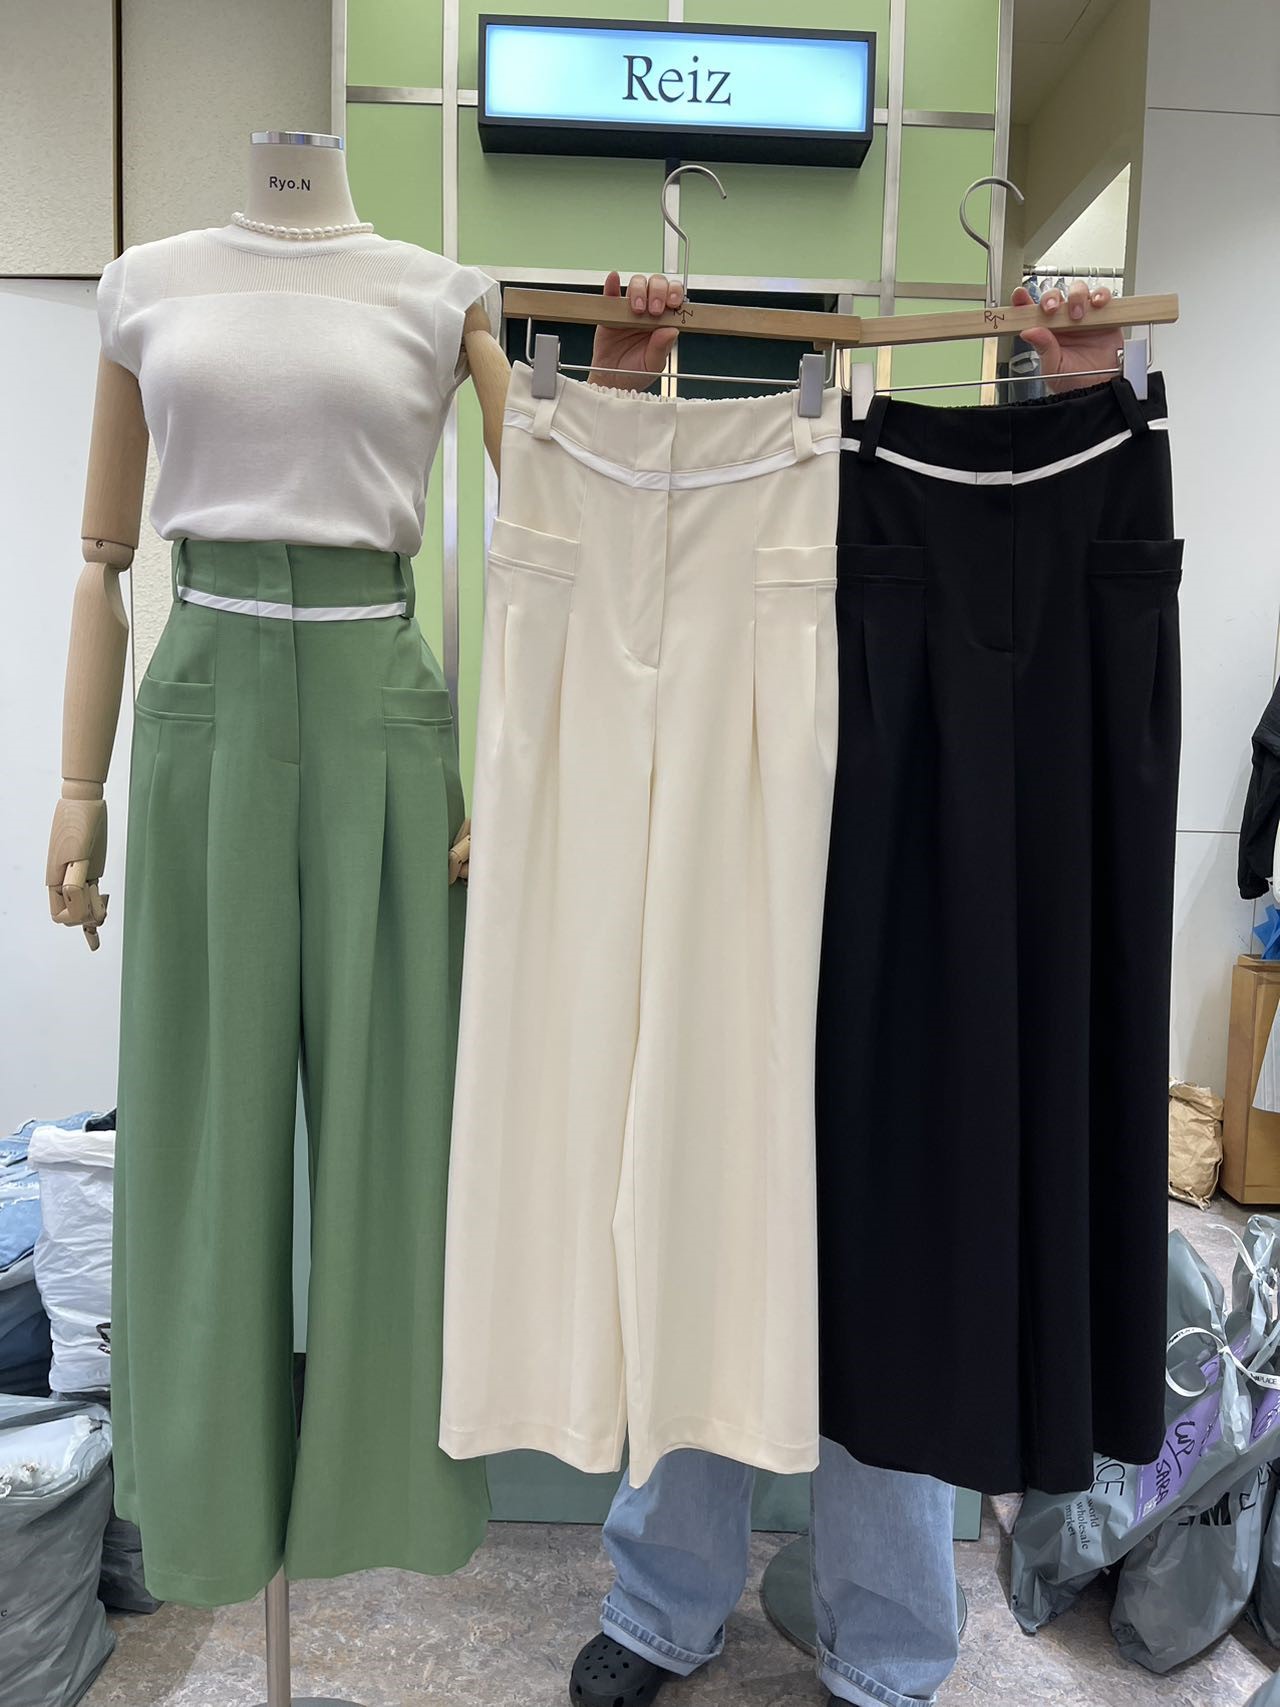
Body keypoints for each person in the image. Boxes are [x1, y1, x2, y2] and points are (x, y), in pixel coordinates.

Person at [569, 270, 1126, 1707]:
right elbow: (603, 552)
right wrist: (618, 388)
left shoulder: (909, 472)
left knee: (893, 1211)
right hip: (735, 783)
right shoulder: (751, 469)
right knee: (709, 1191)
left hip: (906, 781)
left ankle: (886, 1633)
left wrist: (1083, 391)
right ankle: (663, 1596)